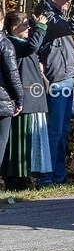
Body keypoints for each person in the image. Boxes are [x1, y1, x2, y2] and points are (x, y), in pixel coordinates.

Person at [35, 0, 74, 186]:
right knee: (54, 131)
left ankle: (58, 175)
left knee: (63, 131)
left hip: (66, 78)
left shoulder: (56, 15)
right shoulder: (46, 16)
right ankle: (46, 177)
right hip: (55, 80)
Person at [2, 12, 50, 190]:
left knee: (29, 141)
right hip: (23, 100)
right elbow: (32, 47)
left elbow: (35, 46)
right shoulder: (11, 43)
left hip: (33, 99)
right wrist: (41, 27)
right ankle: (15, 179)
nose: (29, 27)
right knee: (18, 142)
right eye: (25, 24)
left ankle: (26, 177)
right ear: (14, 27)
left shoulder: (21, 43)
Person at [0, 28, 24, 189]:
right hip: (2, 99)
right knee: (1, 140)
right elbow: (12, 74)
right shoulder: (4, 44)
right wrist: (20, 98)